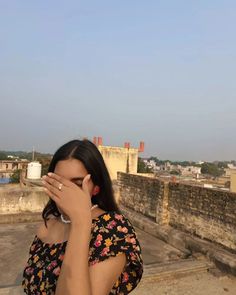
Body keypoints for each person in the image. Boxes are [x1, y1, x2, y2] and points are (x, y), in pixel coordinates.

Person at [22, 139, 143, 295]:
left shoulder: (113, 231)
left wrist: (80, 222)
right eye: (59, 183)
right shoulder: (48, 224)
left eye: (77, 184)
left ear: (96, 188)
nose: (66, 192)